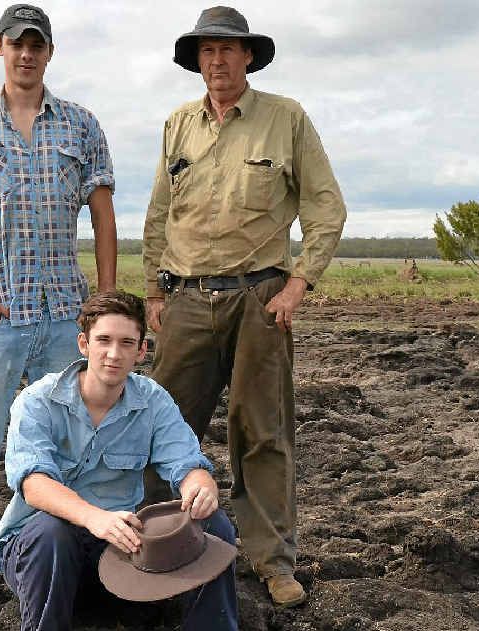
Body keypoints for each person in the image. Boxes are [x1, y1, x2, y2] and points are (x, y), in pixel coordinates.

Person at [142, 6, 346, 608]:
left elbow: (326, 208)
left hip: (261, 300)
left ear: (249, 56)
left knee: (262, 431)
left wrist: (298, 285)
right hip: (186, 298)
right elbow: (160, 213)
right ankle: (161, 548)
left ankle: (271, 559)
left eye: (228, 50)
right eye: (207, 52)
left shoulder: (286, 118)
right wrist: (153, 289)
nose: (218, 61)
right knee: (163, 427)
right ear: (197, 61)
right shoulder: (178, 124)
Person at [0, 4, 117, 604]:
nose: (27, 54)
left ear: (50, 53)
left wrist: (107, 296)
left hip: (66, 315)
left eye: (37, 44)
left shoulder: (81, 126)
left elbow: (103, 211)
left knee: (73, 443)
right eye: (17, 43)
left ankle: (16, 550)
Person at [0, 291, 239, 631]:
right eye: (103, 340)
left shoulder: (152, 401)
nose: (113, 354)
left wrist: (200, 487)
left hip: (121, 547)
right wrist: (95, 518)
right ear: (84, 344)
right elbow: (34, 483)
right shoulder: (39, 401)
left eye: (126, 343)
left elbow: (186, 460)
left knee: (214, 524)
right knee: (52, 532)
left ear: (141, 350)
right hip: (43, 552)